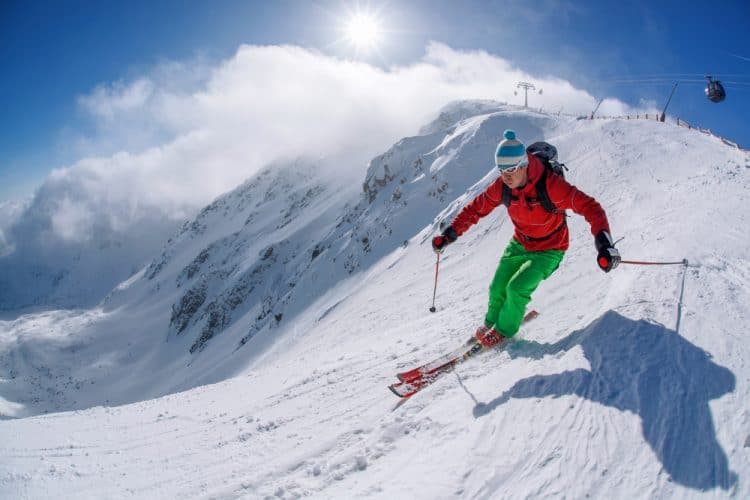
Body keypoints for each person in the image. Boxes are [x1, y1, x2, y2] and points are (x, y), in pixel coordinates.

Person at [432, 129, 620, 348]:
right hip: (520, 243)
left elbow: (591, 208)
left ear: (524, 165)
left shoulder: (551, 186)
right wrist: (449, 235)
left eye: (511, 169)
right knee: (497, 287)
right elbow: (476, 209)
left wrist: (604, 244)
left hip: (551, 249)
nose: (506, 176)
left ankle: (503, 330)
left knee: (516, 288)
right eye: (501, 170)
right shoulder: (503, 186)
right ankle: (491, 323)